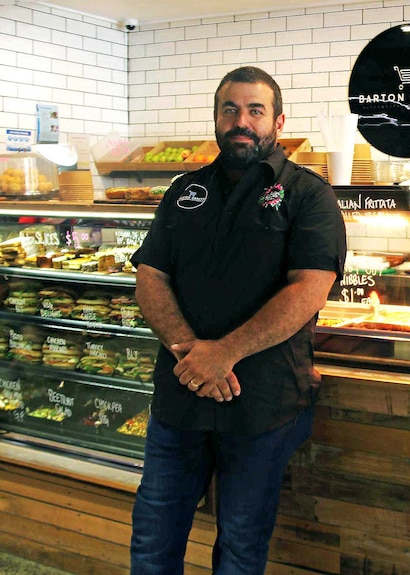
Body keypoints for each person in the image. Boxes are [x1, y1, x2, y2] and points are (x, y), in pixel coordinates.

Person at [129, 66, 346, 575]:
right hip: (181, 395)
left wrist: (224, 352)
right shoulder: (185, 191)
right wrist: (192, 350)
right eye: (230, 110)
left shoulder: (308, 195)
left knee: (241, 548)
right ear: (216, 120)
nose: (241, 121)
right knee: (153, 540)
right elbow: (151, 275)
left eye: (254, 110)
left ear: (277, 121)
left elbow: (308, 289)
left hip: (261, 405)